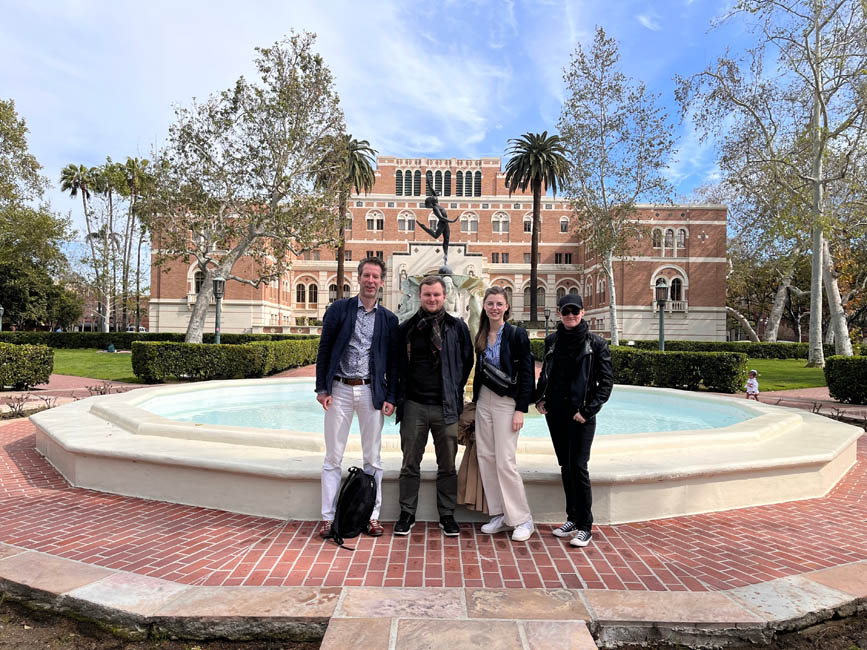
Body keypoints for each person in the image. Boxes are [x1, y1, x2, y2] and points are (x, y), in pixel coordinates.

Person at [314, 257, 399, 539]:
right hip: (338, 389)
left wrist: (391, 396)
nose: (371, 281)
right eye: (366, 276)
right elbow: (324, 350)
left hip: (371, 391)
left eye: (376, 276)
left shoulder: (389, 319)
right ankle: (327, 518)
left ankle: (372, 516)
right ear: (359, 278)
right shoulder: (339, 310)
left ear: (382, 282)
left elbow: (394, 363)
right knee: (332, 457)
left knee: (373, 458)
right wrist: (322, 389)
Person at [394, 275, 474, 536]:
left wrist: (453, 389)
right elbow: (397, 368)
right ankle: (407, 512)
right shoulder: (406, 328)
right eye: (427, 294)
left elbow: (466, 362)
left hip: (446, 407)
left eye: (436, 295)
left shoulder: (457, 327)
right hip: (414, 405)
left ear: (444, 296)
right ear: (420, 296)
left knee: (448, 465)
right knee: (409, 463)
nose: (432, 299)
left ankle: (447, 514)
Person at [535, 294, 613, 548]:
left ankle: (585, 526)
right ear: (559, 313)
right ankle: (572, 518)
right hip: (556, 413)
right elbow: (547, 373)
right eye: (566, 311)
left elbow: (606, 384)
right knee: (566, 467)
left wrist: (588, 411)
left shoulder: (596, 344)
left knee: (579, 467)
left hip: (580, 416)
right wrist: (540, 398)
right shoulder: (552, 341)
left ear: (582, 312)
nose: (571, 315)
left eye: (575, 311)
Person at [471, 286, 535, 542]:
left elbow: (528, 372)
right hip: (484, 400)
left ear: (506, 307)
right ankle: (498, 513)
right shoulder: (482, 333)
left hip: (507, 402)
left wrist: (521, 408)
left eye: (499, 304)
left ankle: (522, 519)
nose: (494, 308)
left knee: (505, 461)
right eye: (490, 304)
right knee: (486, 456)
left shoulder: (517, 334)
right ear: (484, 307)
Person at [417, 194, 459, 264]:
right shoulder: (435, 209)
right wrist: (452, 221)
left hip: (445, 223)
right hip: (442, 223)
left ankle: (445, 256)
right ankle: (423, 226)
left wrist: (429, 184)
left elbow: (433, 193)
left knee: (447, 239)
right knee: (436, 236)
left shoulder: (436, 203)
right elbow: (441, 218)